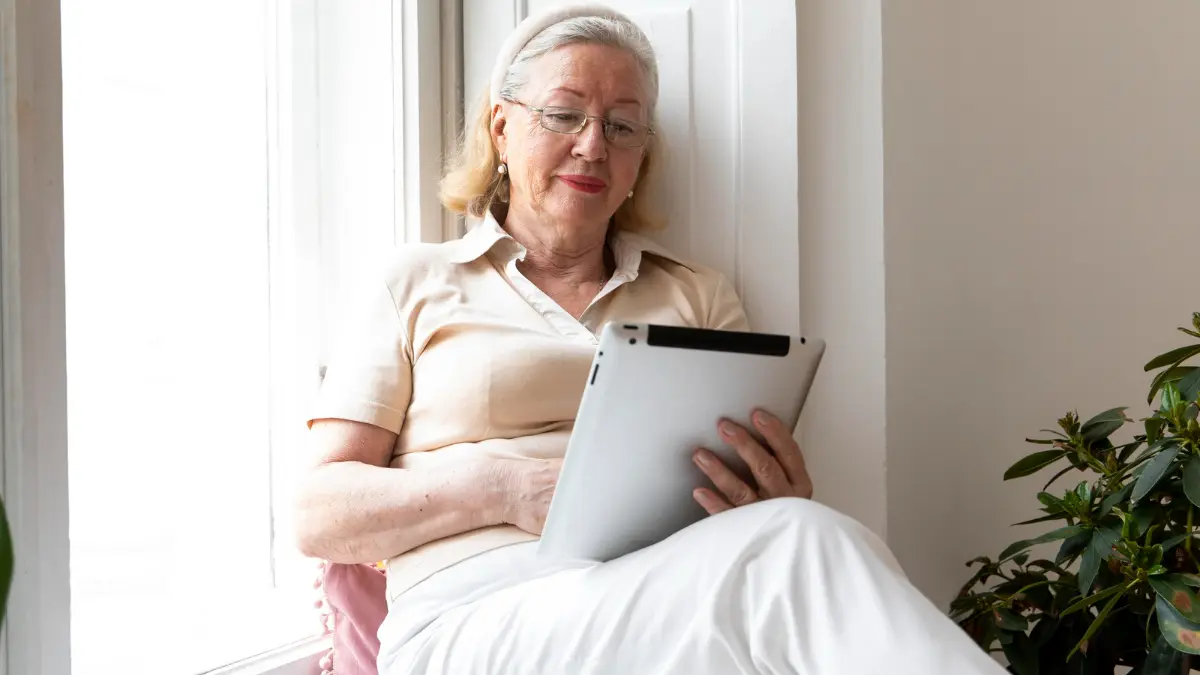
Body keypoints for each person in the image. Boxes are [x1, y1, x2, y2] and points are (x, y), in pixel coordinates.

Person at [295, 4, 1006, 674]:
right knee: (801, 541)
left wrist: (770, 492)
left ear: (641, 159)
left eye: (623, 126)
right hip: (473, 614)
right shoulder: (415, 281)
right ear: (501, 129)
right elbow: (319, 514)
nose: (593, 144)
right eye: (563, 113)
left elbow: (749, 517)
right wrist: (502, 487)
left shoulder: (698, 293)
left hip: (661, 595)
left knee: (797, 529)